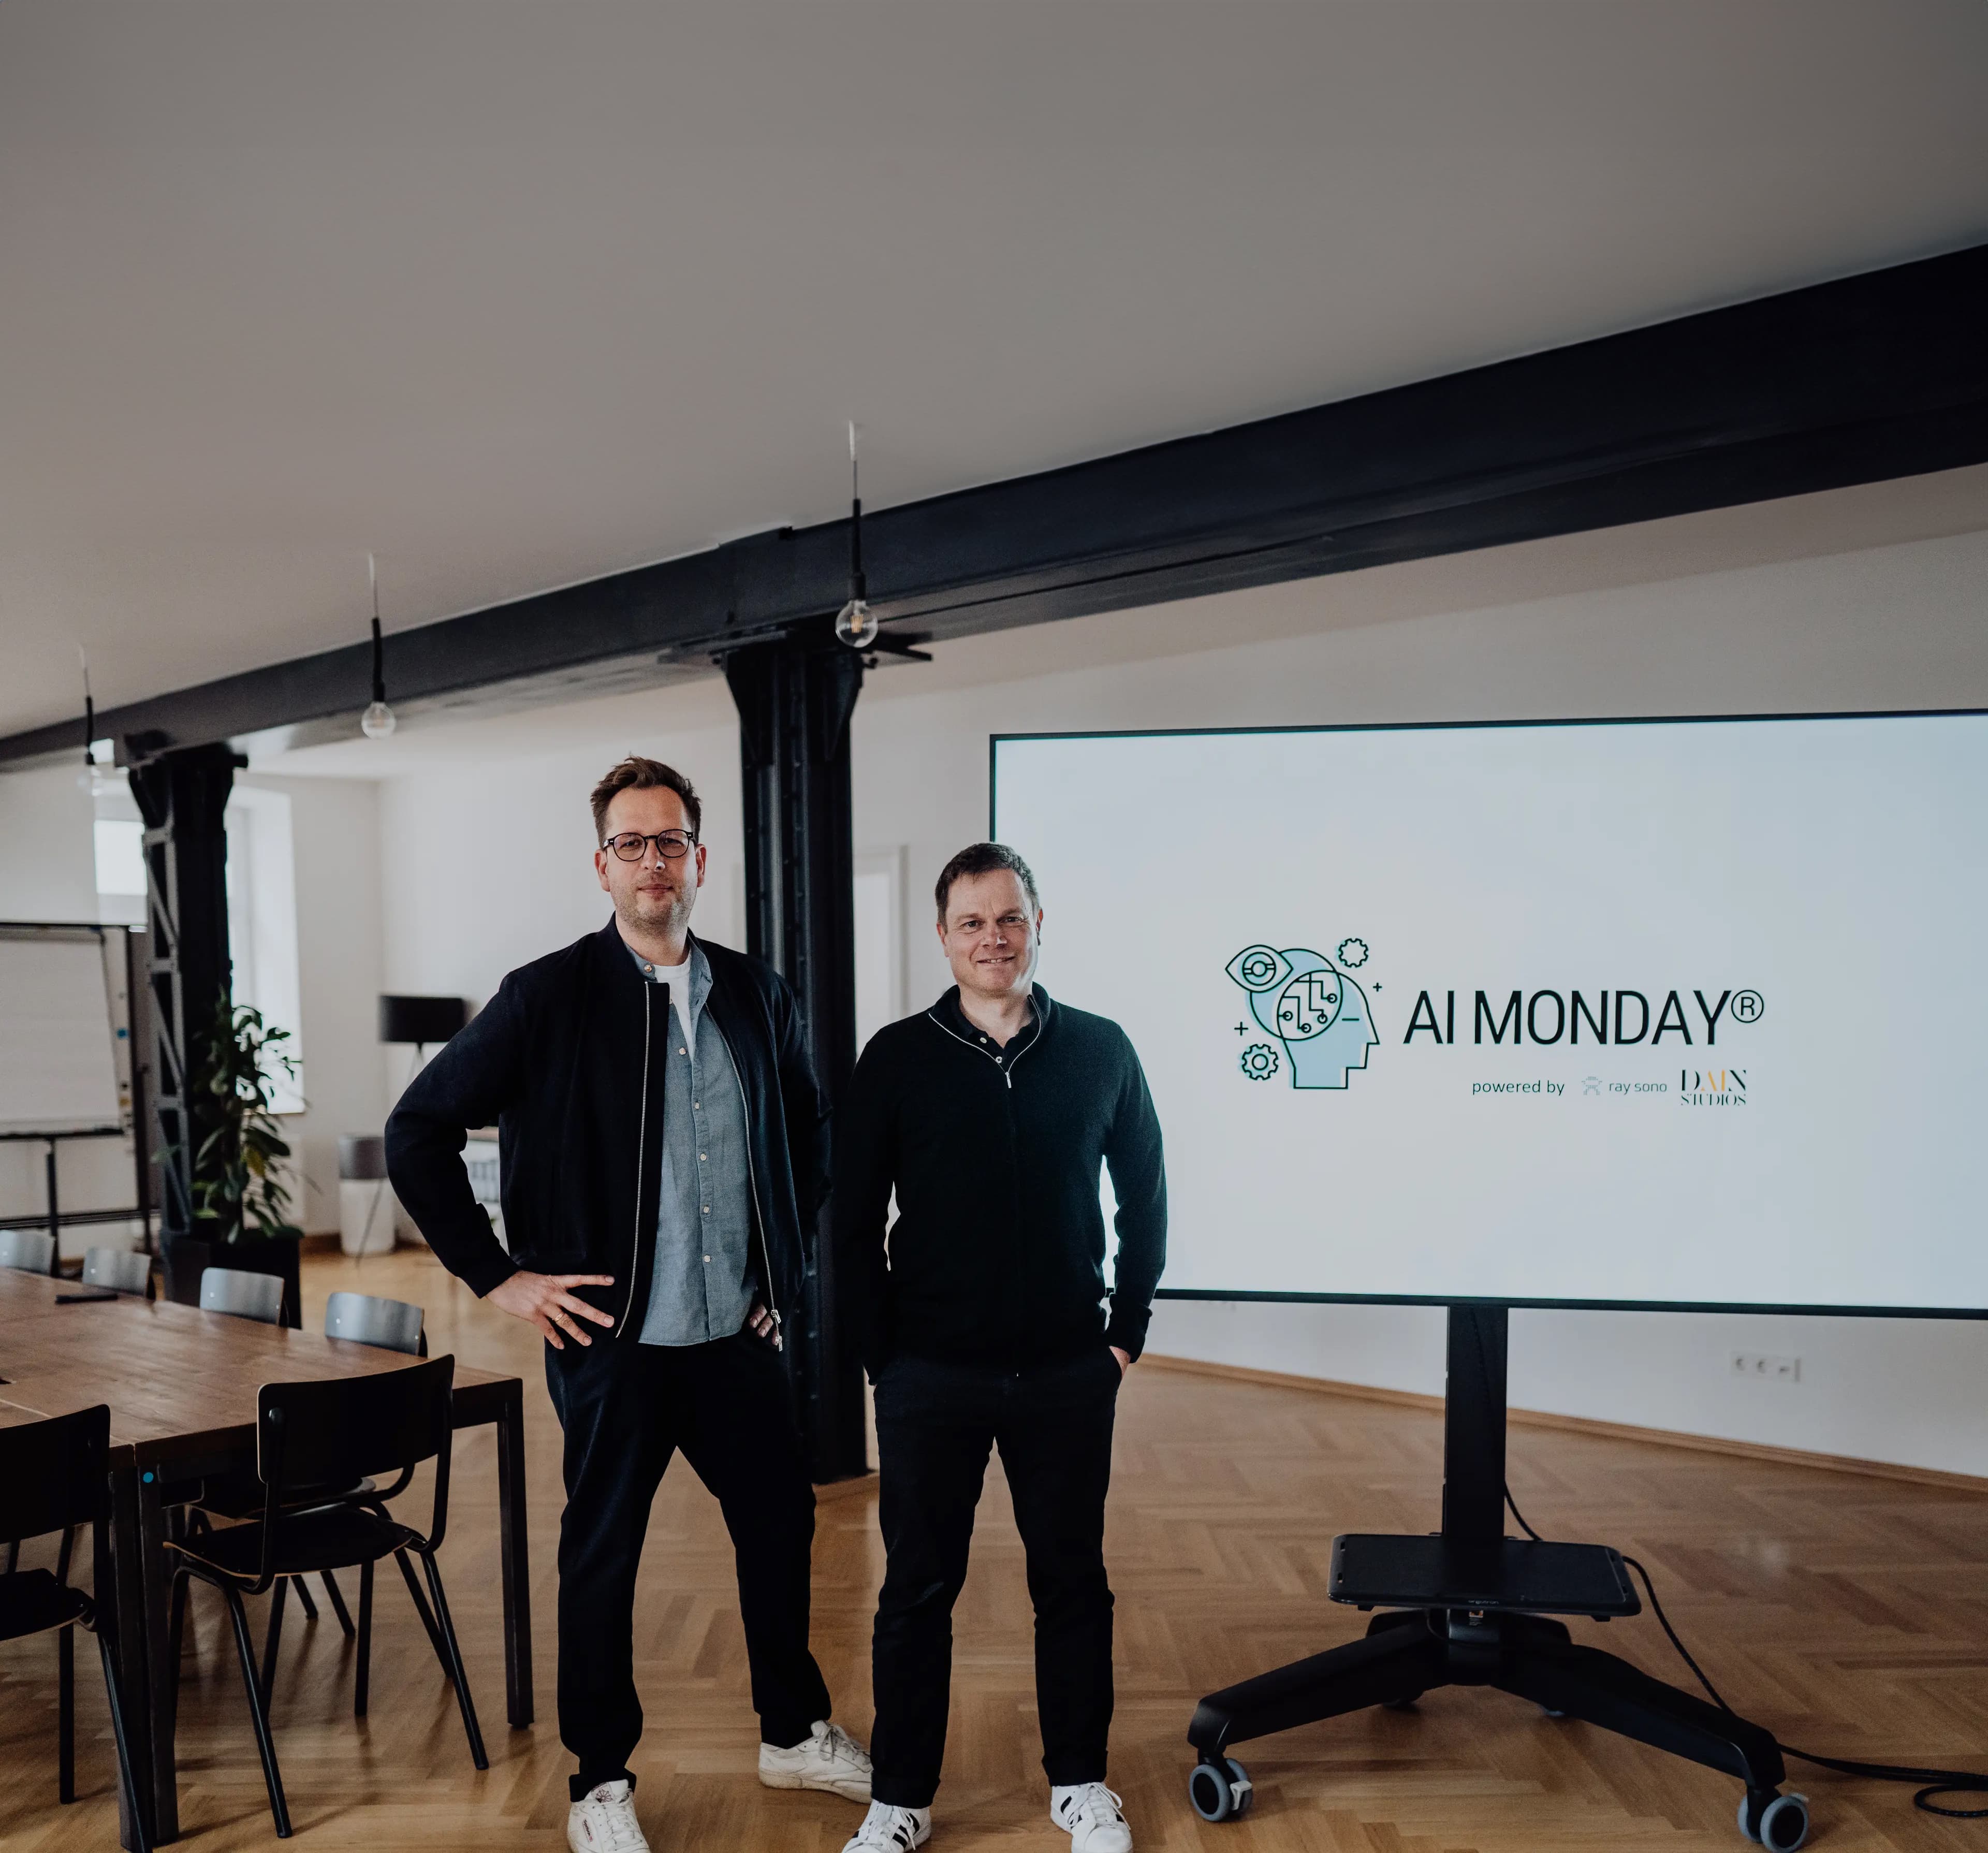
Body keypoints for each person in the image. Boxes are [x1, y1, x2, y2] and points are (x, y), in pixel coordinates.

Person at [386, 755, 871, 1853]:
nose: (653, 862)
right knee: (603, 1553)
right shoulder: (547, 996)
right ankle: (599, 1780)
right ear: (601, 863)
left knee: (780, 1523)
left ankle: (791, 1729)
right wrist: (498, 1273)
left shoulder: (756, 991)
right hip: (615, 1341)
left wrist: (779, 1275)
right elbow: (417, 1128)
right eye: (631, 843)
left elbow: (811, 1132)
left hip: (733, 1333)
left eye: (670, 841)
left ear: (700, 858)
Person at [832, 842, 1166, 1853]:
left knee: (1072, 1578)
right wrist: (882, 1354)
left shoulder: (1101, 1048)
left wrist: (1124, 1337)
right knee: (916, 1589)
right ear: (943, 936)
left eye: (1009, 917)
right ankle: (900, 1796)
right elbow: (847, 1218)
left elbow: (1146, 1195)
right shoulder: (895, 1056)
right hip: (931, 1372)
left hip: (1069, 1368)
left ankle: (1079, 1782)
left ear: (1036, 924)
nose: (993, 937)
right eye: (972, 921)